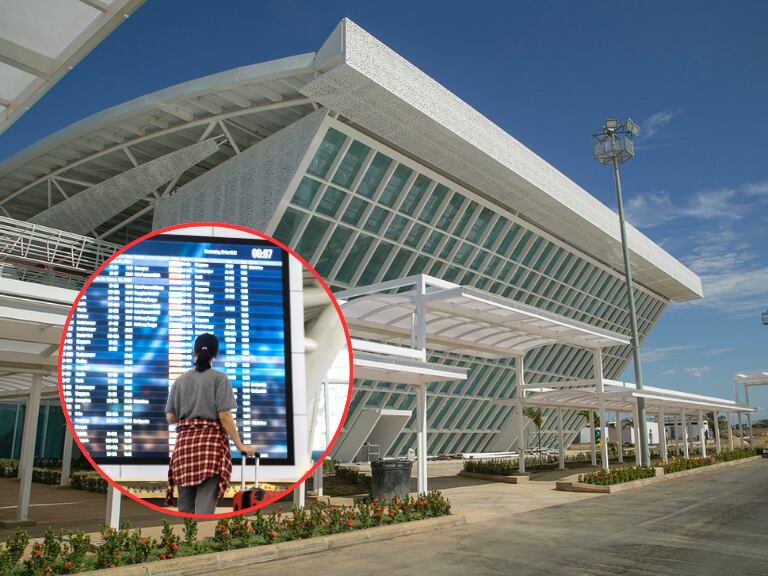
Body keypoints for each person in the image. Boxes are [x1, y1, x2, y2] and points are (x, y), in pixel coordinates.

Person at [165, 333, 256, 514]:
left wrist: (189, 407)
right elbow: (224, 416)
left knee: (185, 510)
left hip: (183, 450)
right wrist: (240, 445)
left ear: (194, 351)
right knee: (204, 511)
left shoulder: (180, 381)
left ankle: (187, 541)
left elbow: (171, 418)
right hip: (210, 448)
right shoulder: (219, 379)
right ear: (216, 353)